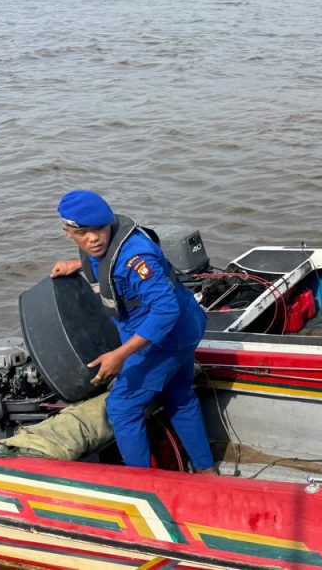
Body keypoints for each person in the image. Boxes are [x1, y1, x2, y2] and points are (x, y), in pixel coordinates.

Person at [50, 190, 216, 474]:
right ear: (68, 232)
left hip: (163, 337)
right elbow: (108, 265)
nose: (93, 239)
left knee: (122, 409)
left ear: (109, 224)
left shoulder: (136, 257)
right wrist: (77, 265)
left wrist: (120, 355)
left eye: (99, 229)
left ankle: (140, 485)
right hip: (185, 326)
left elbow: (165, 311)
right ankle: (207, 469)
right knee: (179, 395)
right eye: (83, 233)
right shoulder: (105, 245)